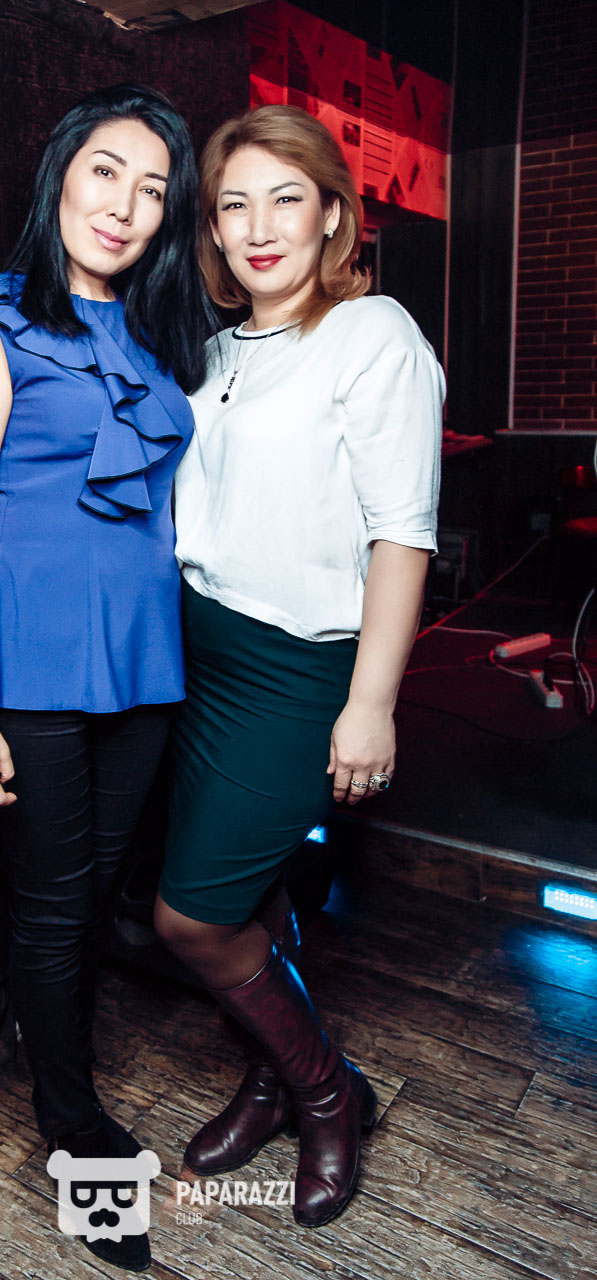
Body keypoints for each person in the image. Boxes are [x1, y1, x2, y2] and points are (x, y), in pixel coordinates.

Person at [0, 83, 212, 1273]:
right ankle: (77, 1131)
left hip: (143, 662)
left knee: (90, 895)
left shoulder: (159, 337)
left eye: (152, 189)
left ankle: (50, 1050)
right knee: (53, 906)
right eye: (106, 171)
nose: (125, 205)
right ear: (60, 174)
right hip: (35, 662)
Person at [154, 105, 444, 1229]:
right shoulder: (216, 350)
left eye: (286, 198)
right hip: (198, 655)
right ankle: (272, 1077)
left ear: (332, 213)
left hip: (294, 669)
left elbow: (402, 533)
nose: (258, 227)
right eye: (233, 205)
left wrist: (370, 704)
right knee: (251, 890)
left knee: (191, 918)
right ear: (212, 230)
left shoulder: (372, 335)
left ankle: (328, 1092)